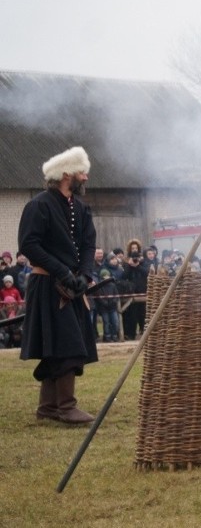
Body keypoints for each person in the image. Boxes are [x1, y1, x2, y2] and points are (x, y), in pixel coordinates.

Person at [18, 146, 98, 424]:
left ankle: (48, 408)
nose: (85, 178)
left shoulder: (82, 208)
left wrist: (85, 276)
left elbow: (88, 244)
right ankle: (66, 406)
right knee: (68, 345)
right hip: (47, 285)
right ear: (66, 174)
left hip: (73, 287)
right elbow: (29, 244)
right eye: (81, 172)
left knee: (62, 344)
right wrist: (63, 272)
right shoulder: (39, 205)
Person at [93, 268, 120, 342]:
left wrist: (113, 302)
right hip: (104, 308)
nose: (107, 277)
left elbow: (116, 295)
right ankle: (107, 337)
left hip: (113, 307)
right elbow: (99, 297)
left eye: (108, 275)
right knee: (106, 322)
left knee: (115, 322)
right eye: (105, 276)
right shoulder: (99, 286)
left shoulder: (113, 285)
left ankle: (114, 335)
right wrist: (105, 303)